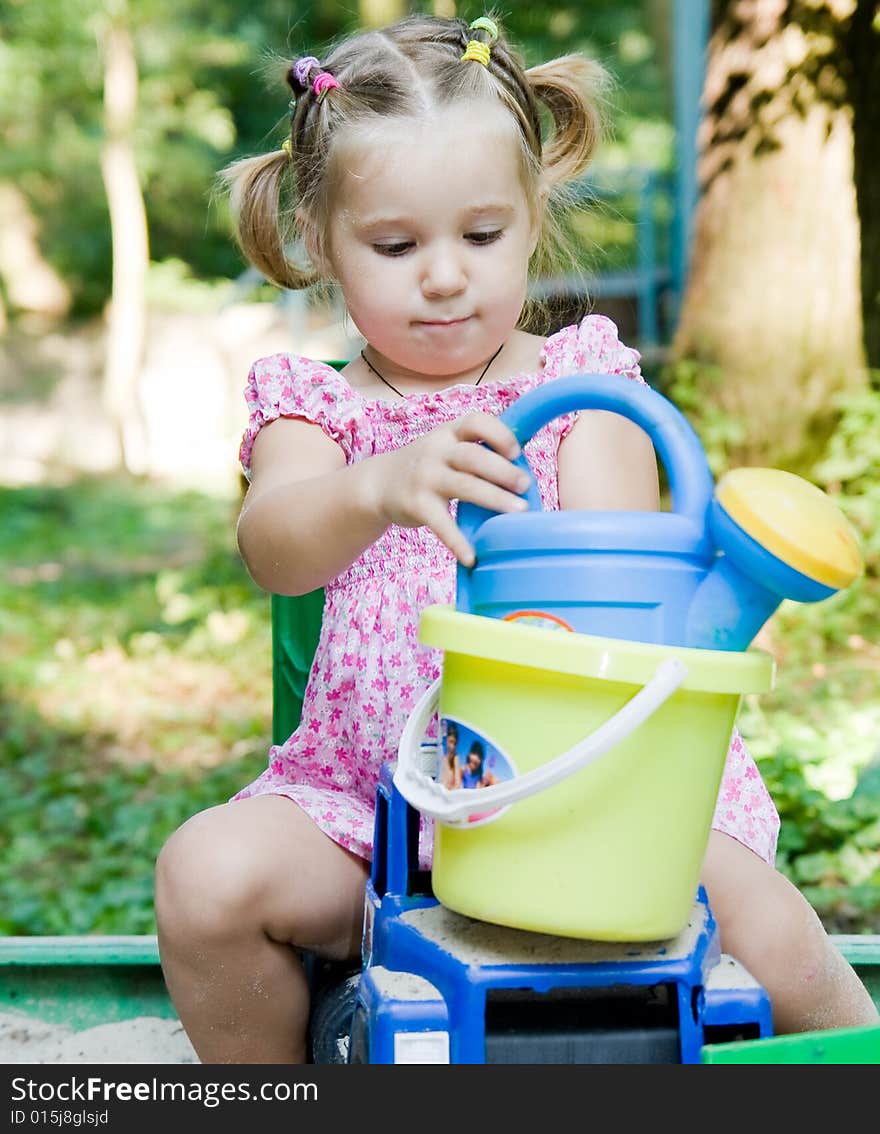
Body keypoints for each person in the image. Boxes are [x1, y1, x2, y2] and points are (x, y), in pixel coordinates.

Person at [154, 14, 878, 1064]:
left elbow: (625, 592)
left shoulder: (579, 386)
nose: (444, 276)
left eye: (480, 237)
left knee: (764, 927)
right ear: (318, 240)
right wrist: (379, 487)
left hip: (597, 800)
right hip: (377, 817)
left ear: (532, 221)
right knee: (205, 877)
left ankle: (853, 1059)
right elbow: (276, 544)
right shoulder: (322, 408)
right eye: (396, 246)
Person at [440, 722, 462, 789]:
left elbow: (458, 784)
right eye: (451, 742)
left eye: (455, 743)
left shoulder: (455, 758)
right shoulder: (443, 758)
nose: (452, 746)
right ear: (446, 740)